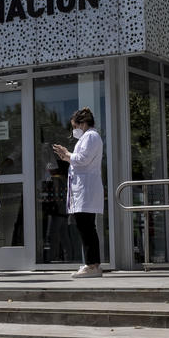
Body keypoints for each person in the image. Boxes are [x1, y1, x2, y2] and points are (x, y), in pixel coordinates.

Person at [53, 107, 104, 279]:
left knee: (86, 227)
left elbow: (82, 159)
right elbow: (80, 159)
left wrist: (67, 154)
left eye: (74, 126)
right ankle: (92, 263)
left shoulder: (91, 136)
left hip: (86, 189)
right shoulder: (89, 137)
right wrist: (66, 156)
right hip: (84, 188)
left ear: (82, 124)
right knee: (86, 227)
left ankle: (92, 265)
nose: (74, 130)